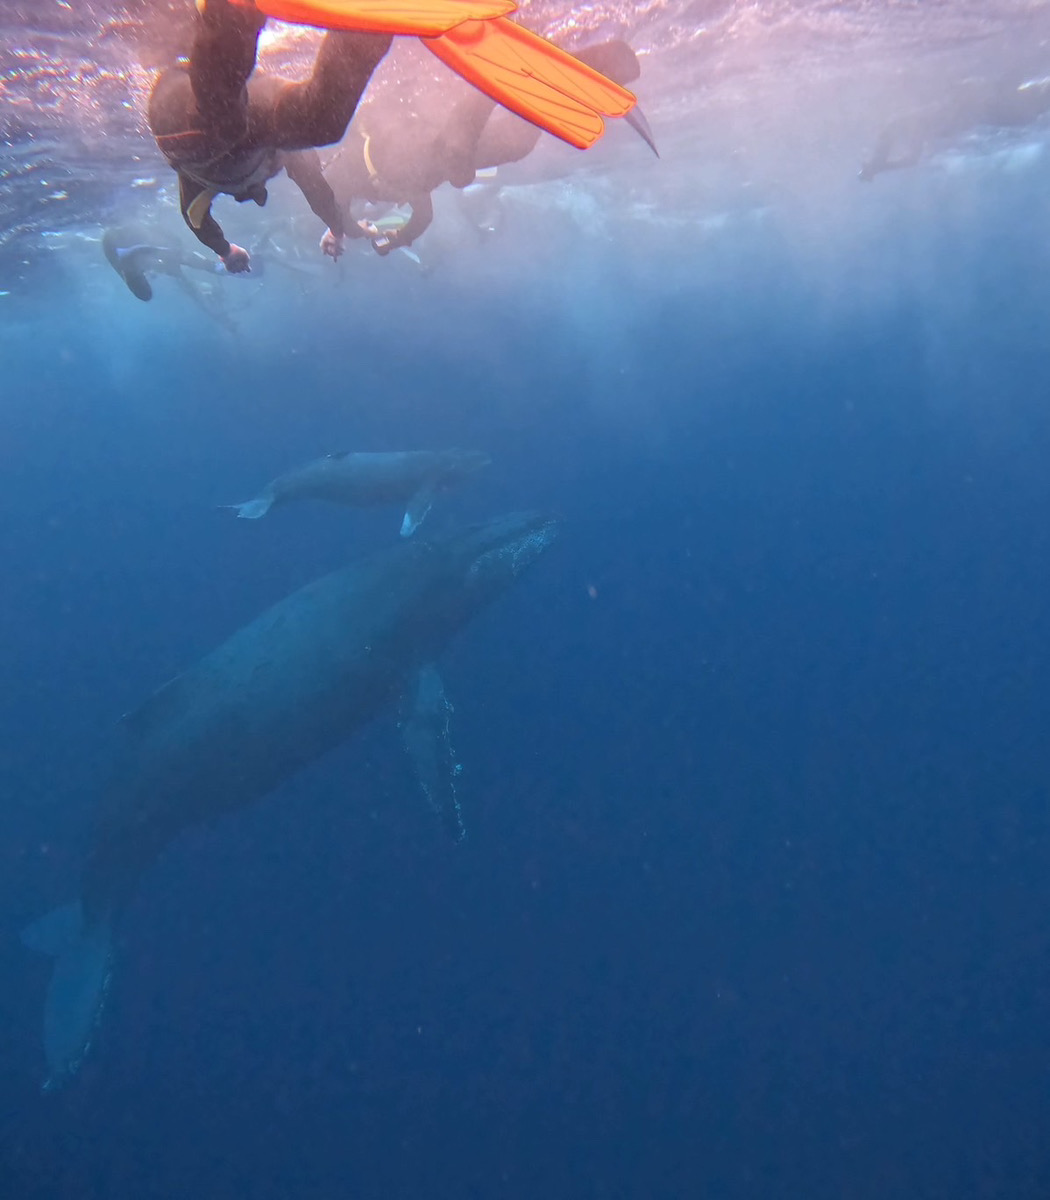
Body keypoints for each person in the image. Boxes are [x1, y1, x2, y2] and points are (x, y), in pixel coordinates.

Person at [326, 39, 656, 255]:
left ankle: (491, 84)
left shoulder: (345, 172)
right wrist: (395, 240)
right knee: (516, 145)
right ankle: (599, 67)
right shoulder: (396, 187)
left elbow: (335, 206)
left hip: (426, 147)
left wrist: (342, 232)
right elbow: (422, 216)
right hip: (441, 154)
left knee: (455, 145)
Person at [148, 0, 392, 273]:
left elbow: (197, 223)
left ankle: (229, 10)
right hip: (236, 106)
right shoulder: (290, 155)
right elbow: (318, 193)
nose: (255, 193)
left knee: (223, 126)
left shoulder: (198, 186)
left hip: (177, 112)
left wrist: (226, 251)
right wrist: (336, 229)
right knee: (324, 124)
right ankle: (371, 13)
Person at [859, 74, 1050, 182]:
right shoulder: (913, 129)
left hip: (979, 112)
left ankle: (1037, 93)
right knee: (1025, 108)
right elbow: (910, 158)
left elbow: (907, 156)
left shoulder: (908, 126)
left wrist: (878, 167)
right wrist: (878, 167)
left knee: (1024, 107)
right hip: (980, 113)